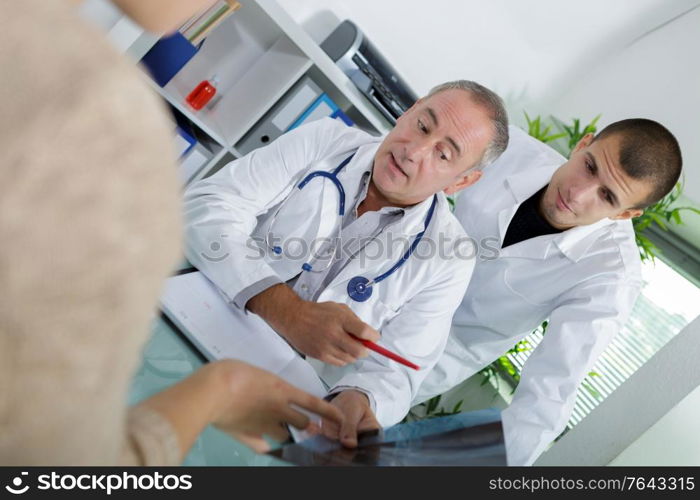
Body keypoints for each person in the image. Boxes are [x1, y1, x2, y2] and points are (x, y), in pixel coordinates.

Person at [0, 0, 344, 466]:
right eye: (421, 123)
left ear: (461, 180)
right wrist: (220, 390)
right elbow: (63, 465)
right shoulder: (92, 110)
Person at [183, 80, 510, 446]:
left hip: (276, 396)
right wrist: (285, 309)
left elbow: (398, 371)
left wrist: (359, 396)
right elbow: (207, 206)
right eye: (422, 124)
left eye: (443, 154)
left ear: (462, 181)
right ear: (409, 111)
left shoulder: (448, 259)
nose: (414, 151)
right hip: (198, 317)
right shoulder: (325, 140)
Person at [414, 120, 683, 465]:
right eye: (589, 167)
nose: (578, 193)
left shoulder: (610, 277)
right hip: (376, 292)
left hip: (431, 357)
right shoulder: (507, 149)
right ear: (583, 145)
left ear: (626, 214)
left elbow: (548, 396)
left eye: (607, 196)